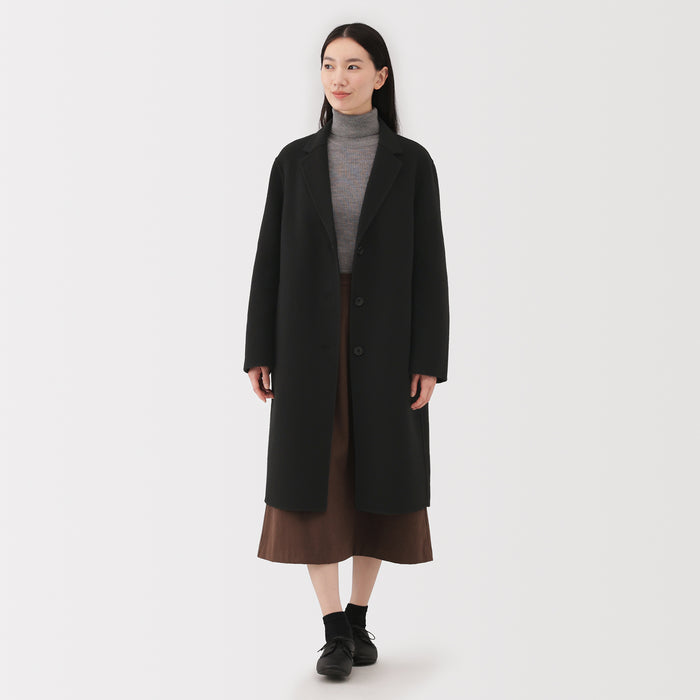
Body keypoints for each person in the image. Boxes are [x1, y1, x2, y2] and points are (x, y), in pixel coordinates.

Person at [244, 22, 449, 679]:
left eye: (354, 65)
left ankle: (359, 616)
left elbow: (430, 265)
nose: (339, 77)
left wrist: (428, 358)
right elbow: (269, 258)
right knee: (313, 478)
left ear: (381, 77)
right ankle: (333, 629)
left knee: (378, 474)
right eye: (330, 64)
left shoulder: (411, 162)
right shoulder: (293, 161)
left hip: (387, 337)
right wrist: (259, 347)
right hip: (305, 334)